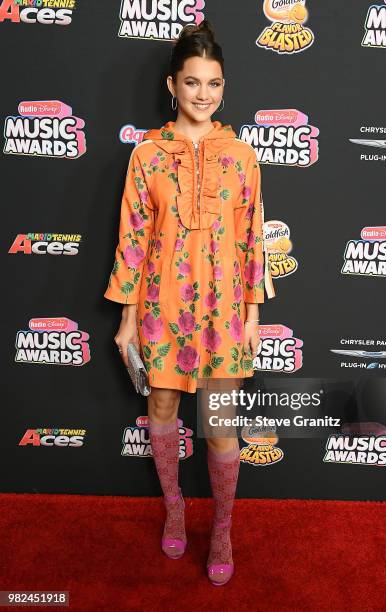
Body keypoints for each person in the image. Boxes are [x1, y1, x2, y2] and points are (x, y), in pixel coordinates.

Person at [104, 20, 275, 586]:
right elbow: (132, 238)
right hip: (160, 305)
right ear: (172, 85)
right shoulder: (148, 155)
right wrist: (127, 319)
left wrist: (253, 316)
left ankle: (222, 527)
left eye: (215, 84)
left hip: (224, 312)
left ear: (224, 88)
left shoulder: (243, 156)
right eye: (193, 82)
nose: (204, 94)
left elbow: (253, 237)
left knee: (221, 426)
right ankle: (175, 507)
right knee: (161, 412)